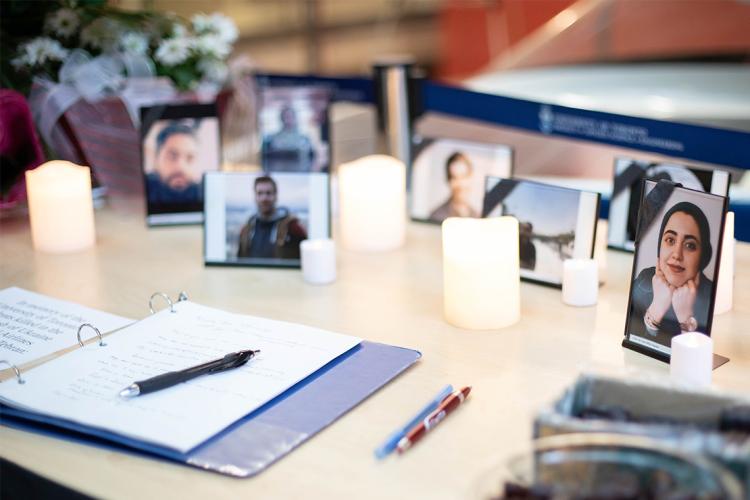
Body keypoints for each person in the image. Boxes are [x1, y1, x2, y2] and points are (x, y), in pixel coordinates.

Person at [629, 201, 714, 344]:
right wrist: (656, 309)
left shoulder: (712, 299)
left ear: (703, 256)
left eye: (690, 245)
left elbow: (696, 361)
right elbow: (635, 346)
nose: (677, 254)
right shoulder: (643, 282)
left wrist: (686, 318)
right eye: (670, 240)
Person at [237, 176, 307, 260]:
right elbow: (240, 260)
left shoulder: (293, 228)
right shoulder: (246, 230)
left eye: (268, 193)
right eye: (260, 193)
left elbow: (306, 259)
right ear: (255, 197)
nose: (264, 198)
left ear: (276, 196)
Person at [145, 123, 201, 204]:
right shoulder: (141, 191)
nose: (181, 167)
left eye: (190, 158)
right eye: (172, 156)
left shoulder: (205, 194)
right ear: (156, 159)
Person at [261, 105, 315, 172]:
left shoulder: (304, 138)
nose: (288, 119)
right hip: (279, 173)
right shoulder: (272, 138)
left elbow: (310, 158)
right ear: (281, 119)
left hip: (299, 174)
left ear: (295, 118)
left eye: (291, 117)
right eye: (286, 117)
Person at [428, 152, 478, 222]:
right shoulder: (436, 216)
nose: (460, 184)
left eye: (463, 176)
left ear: (471, 178)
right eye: (455, 178)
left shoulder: (478, 217)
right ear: (448, 181)